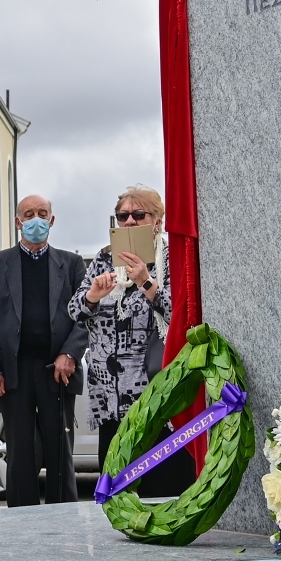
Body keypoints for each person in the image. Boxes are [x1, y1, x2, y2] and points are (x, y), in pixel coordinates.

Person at [70, 186, 190, 494]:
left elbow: (183, 314)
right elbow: (73, 310)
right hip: (109, 399)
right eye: (123, 216)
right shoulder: (104, 258)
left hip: (154, 397)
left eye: (139, 215)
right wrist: (93, 296)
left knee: (160, 489)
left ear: (158, 221)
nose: (129, 222)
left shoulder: (171, 257)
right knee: (118, 493)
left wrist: (145, 282)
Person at [0, 195, 87, 507]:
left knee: (59, 452)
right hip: (15, 371)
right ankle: (21, 521)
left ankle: (61, 519)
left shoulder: (71, 264)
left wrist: (69, 353)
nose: (35, 219)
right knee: (21, 451)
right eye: (29, 214)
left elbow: (84, 316)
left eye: (42, 213)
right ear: (18, 222)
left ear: (52, 221)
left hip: (58, 371)